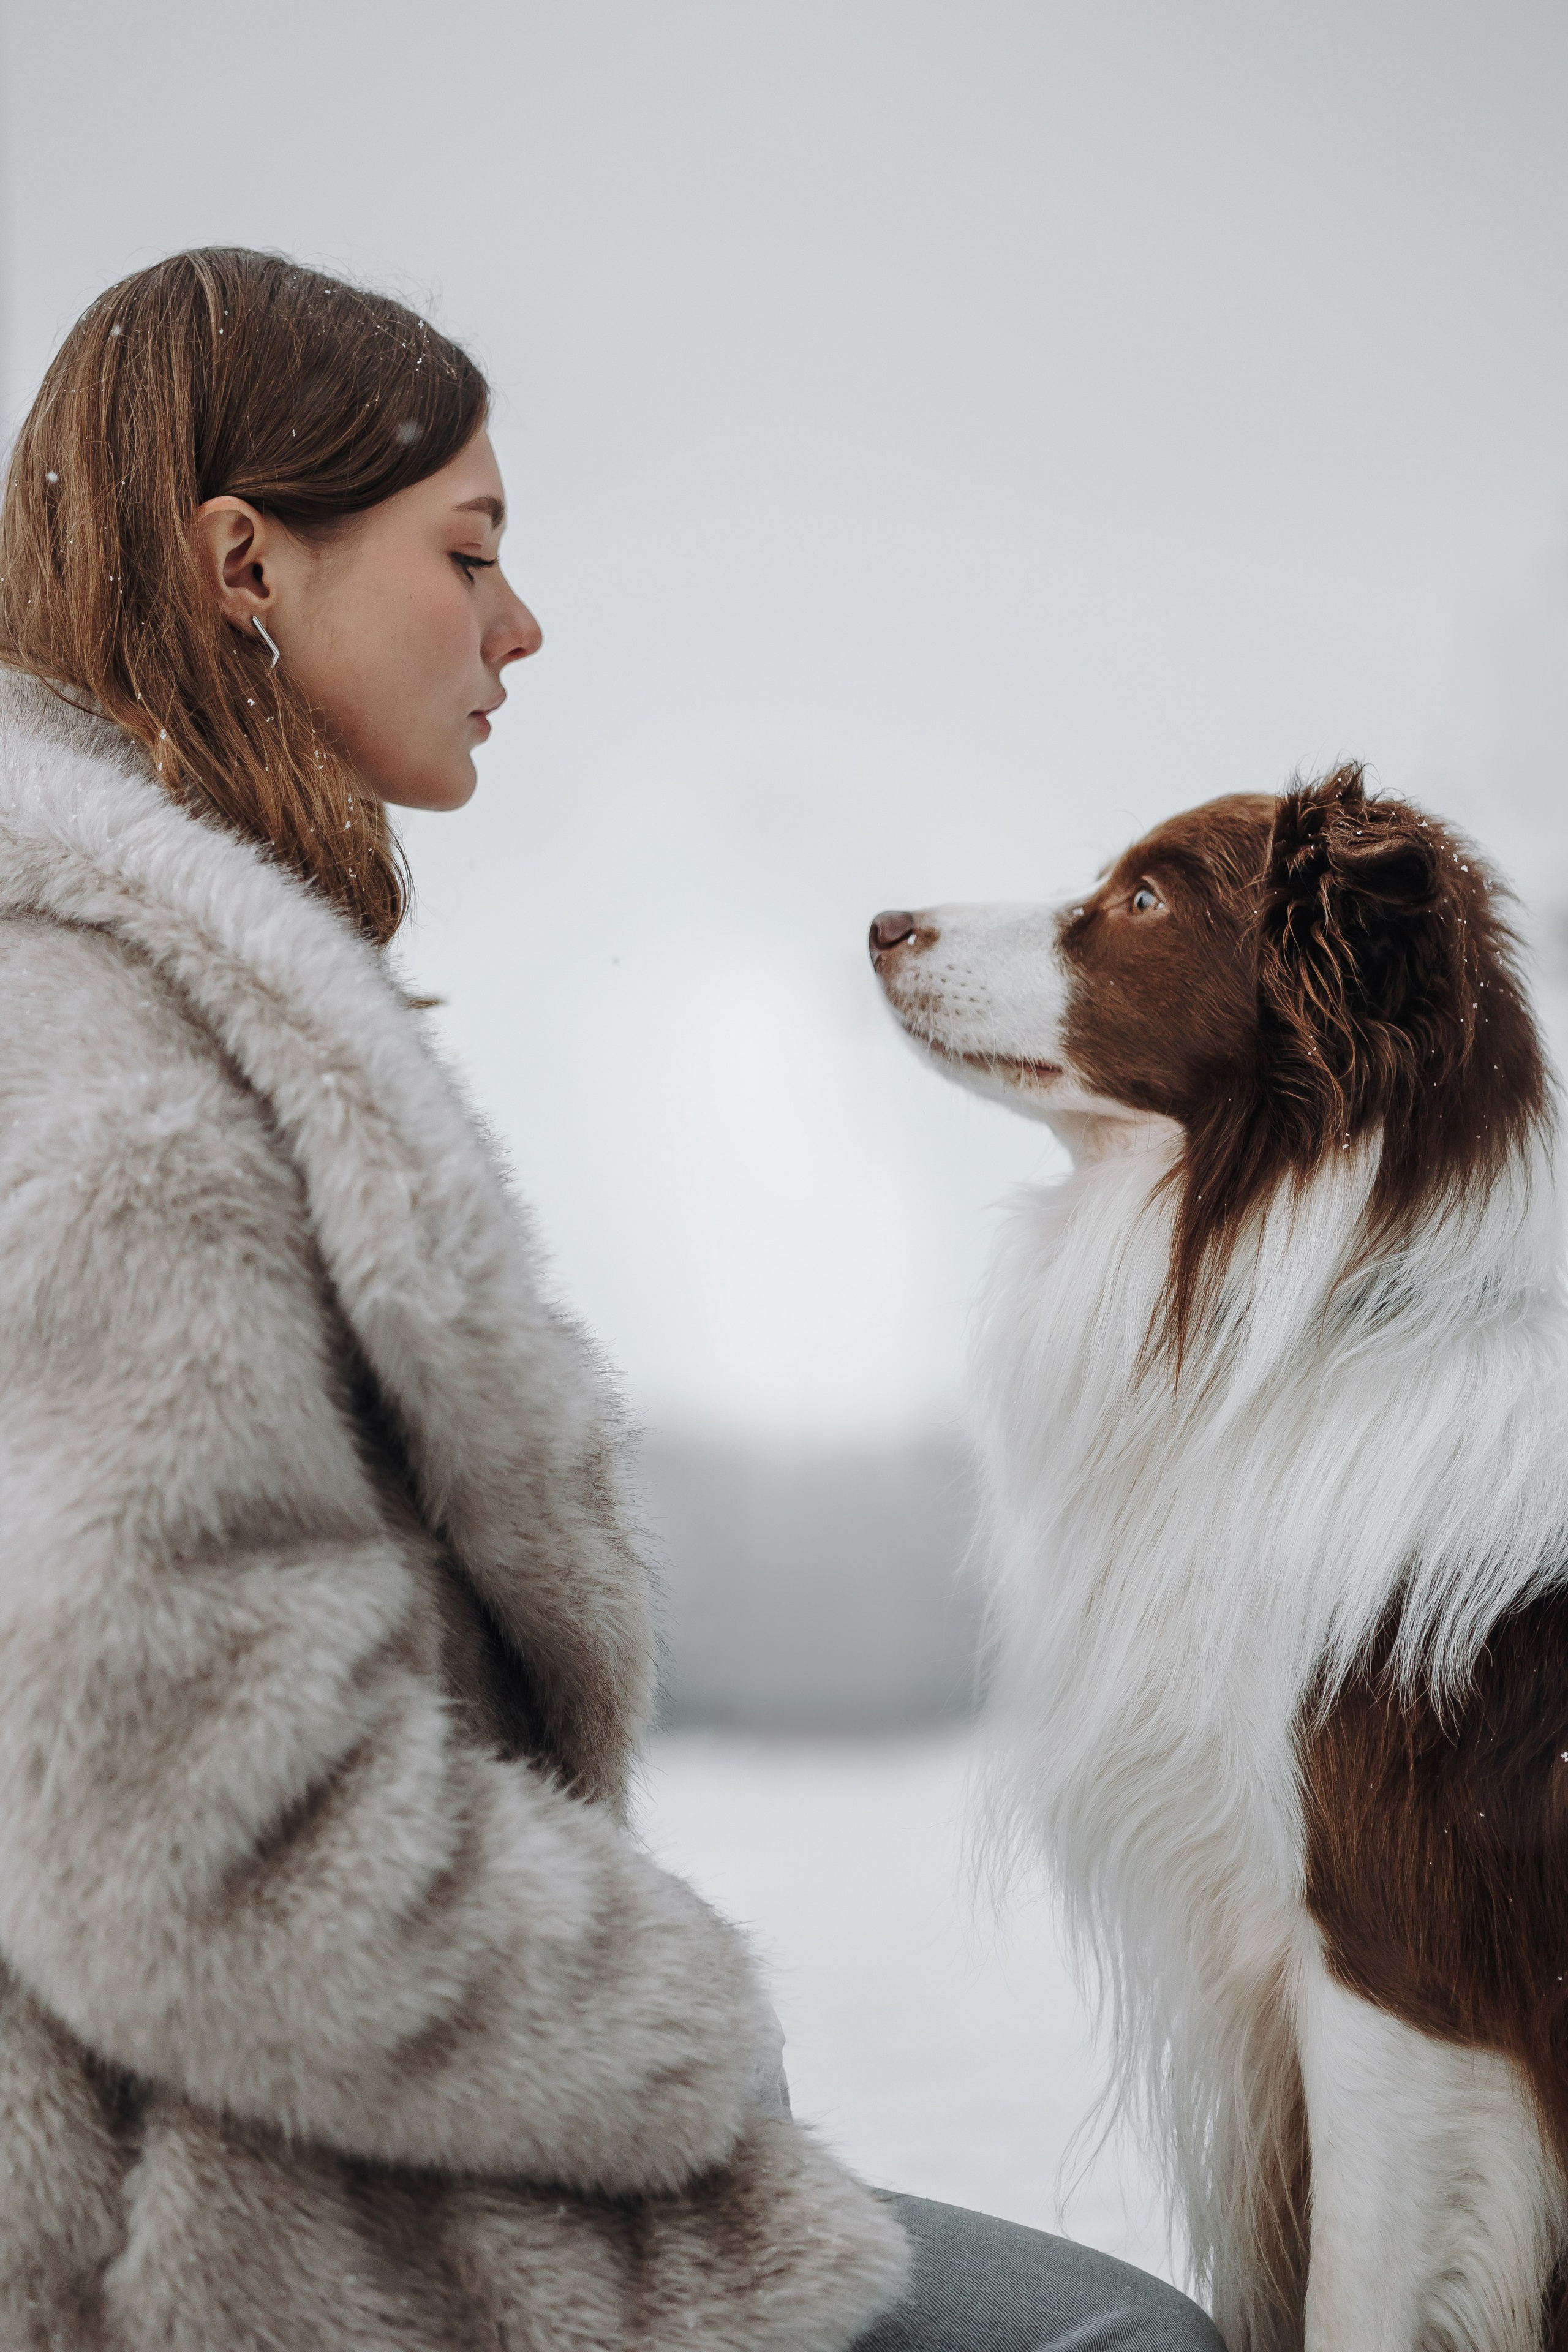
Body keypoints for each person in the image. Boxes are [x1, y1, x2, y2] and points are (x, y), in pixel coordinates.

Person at [0, 247, 1221, 2352]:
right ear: (242, 563)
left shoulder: (143, 996)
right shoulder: (110, 1058)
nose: (521, 625)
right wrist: (670, 2035)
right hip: (267, 2251)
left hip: (332, 2170)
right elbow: (181, 1824)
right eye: (467, 551)